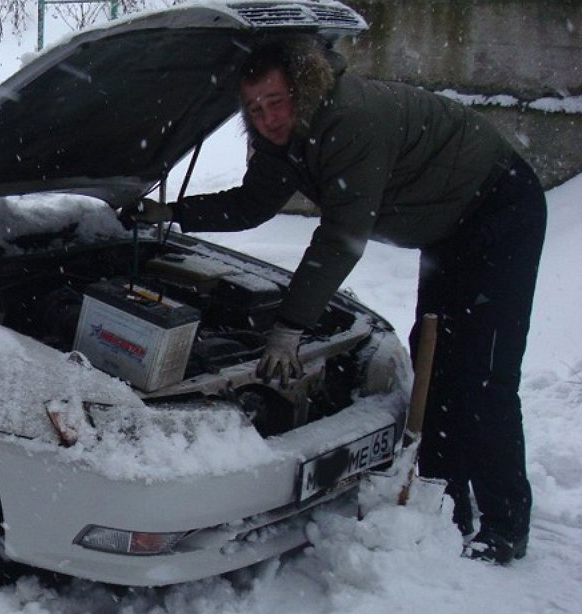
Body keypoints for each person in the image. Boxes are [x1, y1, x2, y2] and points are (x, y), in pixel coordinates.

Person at [123, 36, 547, 565]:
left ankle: (506, 524)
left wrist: (290, 327)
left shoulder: (348, 122)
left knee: (484, 372)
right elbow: (254, 203)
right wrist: (176, 214)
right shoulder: (286, 140)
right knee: (435, 362)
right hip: (447, 227)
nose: (268, 118)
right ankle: (446, 502)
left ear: (301, 90)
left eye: (276, 102)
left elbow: (342, 235)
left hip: (497, 210)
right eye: (254, 109)